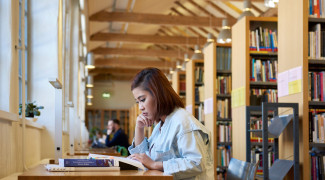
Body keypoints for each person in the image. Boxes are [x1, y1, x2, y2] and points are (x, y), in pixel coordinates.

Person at [128, 68, 213, 180]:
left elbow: (196, 163)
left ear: (158, 95)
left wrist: (155, 165)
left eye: (143, 100)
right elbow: (143, 157)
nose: (140, 107)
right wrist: (139, 128)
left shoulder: (183, 122)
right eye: (137, 102)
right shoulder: (161, 124)